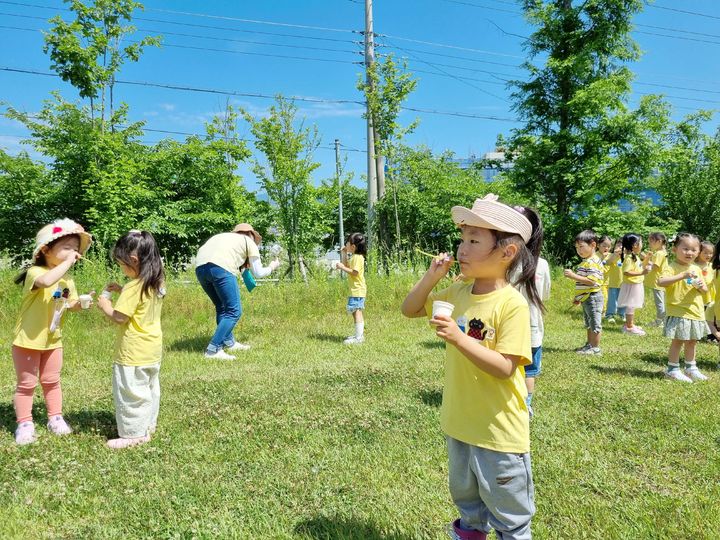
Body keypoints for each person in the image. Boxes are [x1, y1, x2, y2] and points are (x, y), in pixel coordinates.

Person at [401, 193, 542, 540]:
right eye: (462, 240)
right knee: (469, 510)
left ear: (506, 252)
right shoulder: (459, 292)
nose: (462, 249)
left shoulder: (511, 305)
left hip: (499, 433)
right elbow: (411, 308)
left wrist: (461, 339)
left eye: (474, 241)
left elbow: (506, 368)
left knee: (510, 517)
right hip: (460, 423)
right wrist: (431, 277)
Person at [11, 218, 92, 445]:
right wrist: (67, 262)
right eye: (66, 248)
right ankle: (24, 423)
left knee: (52, 381)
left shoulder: (68, 280)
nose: (73, 254)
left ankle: (55, 418)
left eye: (75, 250)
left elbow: (71, 304)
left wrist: (81, 304)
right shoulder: (35, 272)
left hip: (53, 340)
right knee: (26, 384)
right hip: (28, 339)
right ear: (45, 250)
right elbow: (47, 282)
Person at [97, 231, 166, 449]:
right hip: (152, 350)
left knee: (131, 393)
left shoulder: (133, 287)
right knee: (149, 389)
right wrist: (121, 290)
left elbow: (120, 317)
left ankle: (133, 434)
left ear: (133, 260)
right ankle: (148, 425)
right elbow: (140, 305)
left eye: (121, 264)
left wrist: (105, 306)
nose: (122, 269)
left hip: (132, 353)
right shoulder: (157, 282)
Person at [195, 224, 280, 359]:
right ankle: (213, 350)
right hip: (221, 268)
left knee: (222, 308)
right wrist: (272, 266)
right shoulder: (248, 241)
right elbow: (258, 273)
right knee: (234, 311)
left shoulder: (222, 237)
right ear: (250, 234)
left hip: (200, 269)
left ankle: (229, 342)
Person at [657, 232, 709, 382]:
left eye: (694, 249)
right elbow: (661, 282)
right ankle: (672, 369)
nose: (689, 252)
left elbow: (704, 289)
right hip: (678, 309)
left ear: (698, 252)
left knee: (692, 340)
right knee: (679, 340)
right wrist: (682, 276)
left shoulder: (696, 268)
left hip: (695, 310)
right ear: (675, 250)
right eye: (685, 249)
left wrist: (701, 286)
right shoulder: (671, 267)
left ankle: (691, 368)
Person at [564, 230, 604, 355]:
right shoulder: (586, 261)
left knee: (594, 323)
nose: (579, 250)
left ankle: (595, 348)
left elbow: (591, 282)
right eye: (577, 247)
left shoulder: (592, 262)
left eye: (581, 246)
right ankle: (589, 345)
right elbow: (584, 285)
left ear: (593, 245)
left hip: (593, 297)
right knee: (589, 323)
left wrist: (573, 276)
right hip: (587, 297)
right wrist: (579, 298)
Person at [335, 233, 367, 345]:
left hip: (358, 290)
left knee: (356, 311)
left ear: (353, 247)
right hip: (355, 290)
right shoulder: (354, 257)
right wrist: (344, 253)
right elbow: (346, 266)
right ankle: (359, 335)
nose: (345, 245)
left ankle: (358, 338)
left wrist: (342, 267)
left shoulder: (358, 258)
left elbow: (354, 272)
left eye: (347, 243)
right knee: (355, 311)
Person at [618, 233, 649, 336]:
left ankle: (629, 324)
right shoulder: (629, 258)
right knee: (631, 306)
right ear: (635, 245)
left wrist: (647, 259)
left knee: (632, 306)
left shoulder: (634, 256)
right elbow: (626, 272)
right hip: (632, 285)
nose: (642, 245)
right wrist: (642, 273)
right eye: (641, 242)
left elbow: (639, 267)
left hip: (636, 284)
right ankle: (629, 327)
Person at [644, 232, 668, 327]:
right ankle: (662, 319)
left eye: (651, 241)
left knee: (659, 302)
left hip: (657, 281)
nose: (649, 244)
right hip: (661, 280)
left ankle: (660, 321)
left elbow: (655, 267)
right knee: (661, 301)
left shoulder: (658, 253)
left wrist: (646, 259)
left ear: (659, 241)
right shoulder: (663, 252)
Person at [604, 239, 625, 323]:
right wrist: (615, 255)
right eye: (618, 245)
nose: (620, 247)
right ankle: (610, 314)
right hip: (613, 283)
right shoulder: (611, 255)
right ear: (614, 246)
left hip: (624, 283)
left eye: (622, 245)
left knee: (623, 300)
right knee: (612, 300)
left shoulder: (627, 256)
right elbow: (607, 262)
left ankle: (622, 314)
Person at [697, 240, 715, 307]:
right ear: (699, 252)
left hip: (711, 297)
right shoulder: (693, 266)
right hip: (698, 297)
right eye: (706, 253)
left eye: (711, 253)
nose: (709, 255)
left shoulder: (712, 266)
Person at [597, 235, 612, 314]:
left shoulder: (611, 255)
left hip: (610, 281)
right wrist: (602, 258)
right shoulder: (595, 255)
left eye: (609, 246)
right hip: (600, 282)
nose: (606, 248)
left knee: (610, 298)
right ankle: (603, 312)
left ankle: (610, 311)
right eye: (604, 246)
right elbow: (595, 266)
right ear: (598, 245)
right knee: (604, 297)